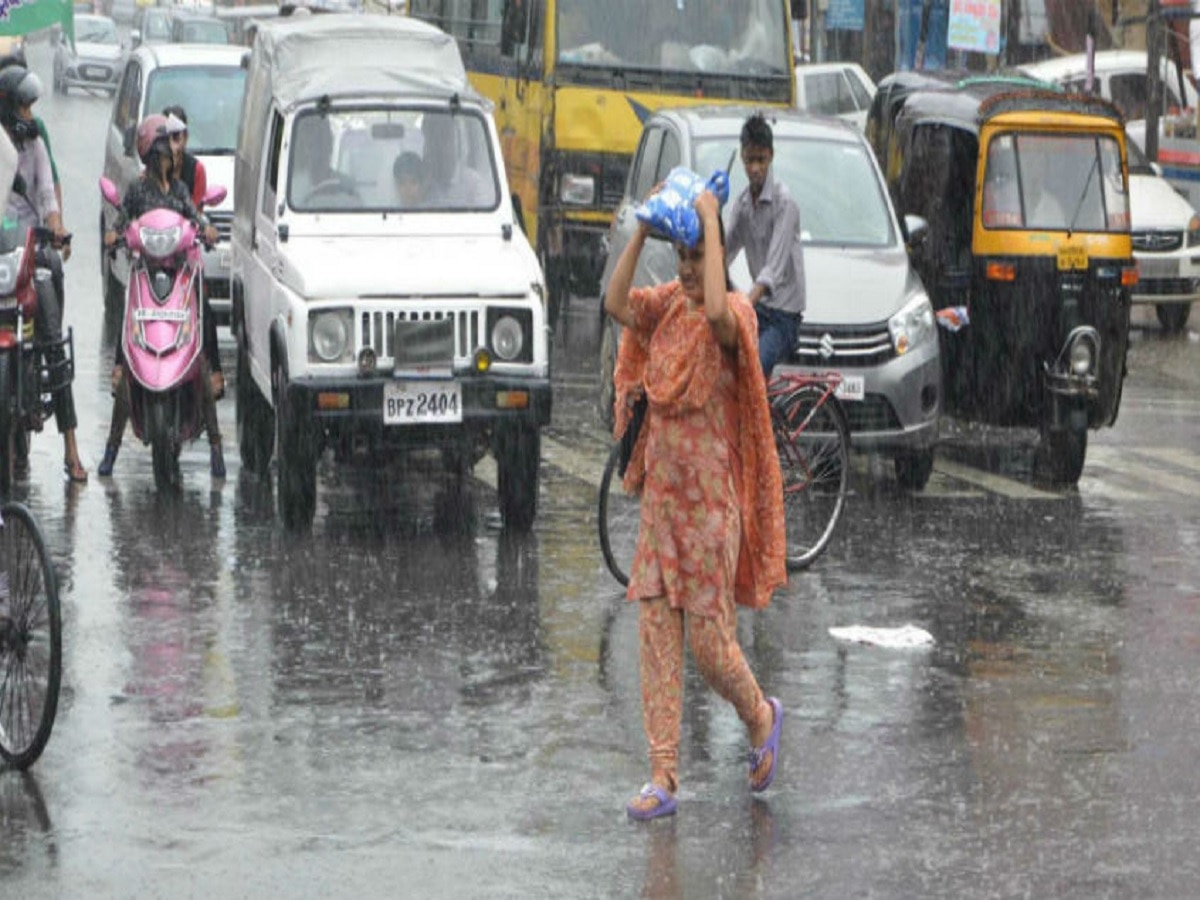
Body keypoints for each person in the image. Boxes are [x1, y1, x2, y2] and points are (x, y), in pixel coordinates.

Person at [603, 185, 788, 821]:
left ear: (715, 255)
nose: (685, 269)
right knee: (656, 634)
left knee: (710, 647)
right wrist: (642, 232)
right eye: (679, 256)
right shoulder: (664, 309)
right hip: (662, 507)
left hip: (711, 515)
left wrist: (710, 220)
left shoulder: (734, 314)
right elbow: (613, 302)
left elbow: (713, 314)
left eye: (696, 256)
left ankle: (761, 715)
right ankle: (663, 776)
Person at [98, 114, 225, 479]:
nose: (169, 154)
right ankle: (111, 448)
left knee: (195, 351)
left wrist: (207, 229)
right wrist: (115, 234)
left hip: (179, 276)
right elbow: (122, 219)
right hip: (145, 276)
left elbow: (196, 219)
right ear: (153, 153)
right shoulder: (139, 191)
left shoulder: (179, 191)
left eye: (170, 148)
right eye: (163, 148)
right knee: (129, 361)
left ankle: (215, 445)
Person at [0, 65, 87, 482]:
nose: (30, 113)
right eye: (23, 104)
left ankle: (71, 445)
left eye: (32, 105)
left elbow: (48, 197)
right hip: (1, 254)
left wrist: (56, 228)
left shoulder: (35, 143)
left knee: (52, 338)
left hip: (32, 250)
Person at [725, 112, 806, 380]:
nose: (755, 168)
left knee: (754, 369)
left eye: (760, 160)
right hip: (760, 311)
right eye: (750, 160)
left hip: (784, 317)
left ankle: (759, 423)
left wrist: (746, 302)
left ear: (771, 156)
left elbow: (773, 268)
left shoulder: (785, 203)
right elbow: (724, 250)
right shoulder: (742, 205)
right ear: (742, 159)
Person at [162, 104, 224, 401]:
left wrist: (202, 229)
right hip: (154, 254)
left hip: (185, 253)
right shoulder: (146, 174)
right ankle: (123, 367)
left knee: (203, 307)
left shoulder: (194, 170)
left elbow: (195, 211)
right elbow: (133, 212)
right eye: (168, 136)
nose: (174, 144)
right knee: (131, 300)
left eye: (178, 136)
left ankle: (214, 370)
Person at [420, 112, 492, 208]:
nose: (438, 147)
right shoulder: (419, 181)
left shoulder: (473, 183)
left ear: (454, 142)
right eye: (432, 139)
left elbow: (486, 219)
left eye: (444, 139)